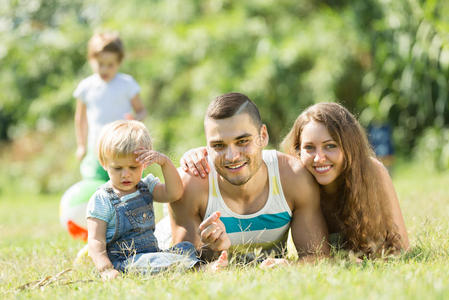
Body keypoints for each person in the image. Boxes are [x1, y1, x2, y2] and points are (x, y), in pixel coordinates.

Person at [181, 102, 409, 257]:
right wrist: (205, 153)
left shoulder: (372, 172)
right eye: (309, 148)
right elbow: (246, 157)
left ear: (349, 147)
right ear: (298, 151)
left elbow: (402, 247)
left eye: (331, 146)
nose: (319, 158)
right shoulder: (298, 178)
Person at [169, 93, 329, 267]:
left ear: (263, 136)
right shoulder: (189, 184)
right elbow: (182, 266)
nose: (232, 157)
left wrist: (290, 267)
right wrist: (211, 252)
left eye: (243, 141)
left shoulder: (294, 177)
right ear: (207, 145)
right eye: (219, 145)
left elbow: (318, 257)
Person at [86, 120, 198, 280]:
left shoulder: (146, 186)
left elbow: (174, 193)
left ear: (145, 163)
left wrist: (165, 163)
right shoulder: (103, 199)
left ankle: (182, 262)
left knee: (187, 247)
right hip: (125, 262)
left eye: (133, 167)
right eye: (118, 168)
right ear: (104, 164)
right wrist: (106, 269)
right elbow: (96, 240)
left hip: (152, 255)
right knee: (151, 262)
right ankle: (198, 266)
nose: (126, 174)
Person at [74, 31, 146, 181]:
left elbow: (141, 111)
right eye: (100, 64)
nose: (105, 70)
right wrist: (81, 145)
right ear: (91, 60)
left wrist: (135, 120)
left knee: (126, 184)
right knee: (94, 182)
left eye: (110, 65)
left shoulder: (127, 84)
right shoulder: (86, 87)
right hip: (96, 148)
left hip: (123, 149)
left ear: (119, 62)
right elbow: (80, 119)